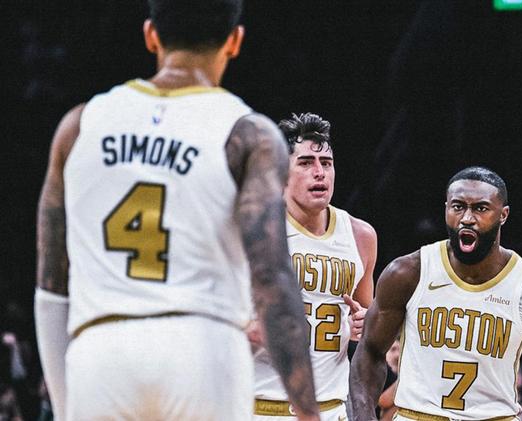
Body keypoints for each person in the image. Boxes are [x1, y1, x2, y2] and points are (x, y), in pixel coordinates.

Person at [34, 1, 320, 420]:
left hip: (101, 351)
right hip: (203, 347)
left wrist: (65, 406)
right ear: (234, 41)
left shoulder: (79, 126)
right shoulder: (250, 133)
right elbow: (272, 276)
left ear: (151, 35)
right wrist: (308, 410)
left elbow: (51, 286)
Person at [350, 166, 522, 421]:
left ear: (503, 215)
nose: (467, 218)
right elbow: (370, 352)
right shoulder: (408, 273)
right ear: (446, 208)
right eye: (458, 207)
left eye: (481, 208)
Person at [252, 113, 377, 420]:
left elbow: (368, 319)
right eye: (306, 163)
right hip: (262, 406)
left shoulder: (361, 235)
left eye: (326, 163)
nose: (319, 173)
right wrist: (250, 326)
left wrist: (363, 324)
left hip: (330, 408)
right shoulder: (256, 230)